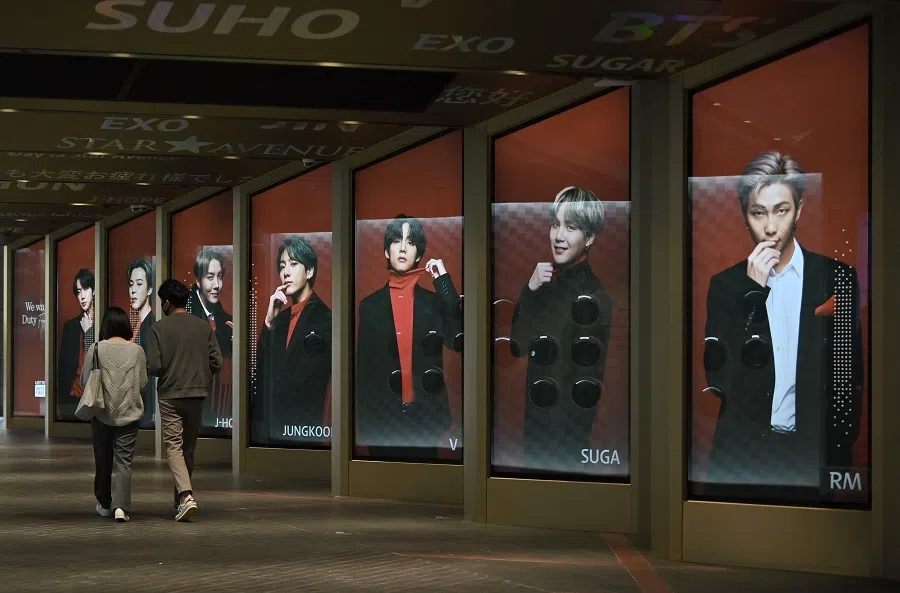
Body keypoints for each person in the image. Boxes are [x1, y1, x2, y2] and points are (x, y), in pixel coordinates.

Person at [702, 151, 863, 496]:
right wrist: (752, 292)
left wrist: (839, 446)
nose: (771, 227)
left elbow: (848, 373)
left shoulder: (837, 279)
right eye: (758, 213)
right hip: (743, 453)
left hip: (813, 450)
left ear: (800, 211)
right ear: (745, 216)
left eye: (782, 210)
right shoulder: (726, 286)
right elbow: (720, 379)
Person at [510, 187, 612, 474]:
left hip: (564, 440)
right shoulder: (543, 284)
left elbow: (586, 386)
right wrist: (529, 290)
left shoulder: (594, 296)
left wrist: (567, 448)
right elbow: (516, 346)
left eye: (571, 227)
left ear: (589, 237)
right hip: (536, 430)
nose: (558, 236)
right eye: (555, 224)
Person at [356, 214, 462, 459]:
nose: (403, 247)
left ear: (419, 254)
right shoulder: (369, 306)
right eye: (396, 240)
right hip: (381, 422)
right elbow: (364, 372)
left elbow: (458, 339)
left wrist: (444, 282)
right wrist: (363, 427)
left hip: (426, 418)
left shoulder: (434, 303)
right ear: (386, 250)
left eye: (410, 242)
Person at [147, 279, 223, 522]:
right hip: (197, 393)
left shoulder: (159, 329)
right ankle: (180, 500)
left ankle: (186, 496)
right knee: (188, 448)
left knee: (174, 446)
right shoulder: (203, 327)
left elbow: (155, 366)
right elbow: (217, 362)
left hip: (170, 394)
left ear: (167, 303)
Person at [253, 237, 331, 444]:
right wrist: (268, 322)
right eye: (282, 266)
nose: (285, 272)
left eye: (294, 264)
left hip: (303, 426)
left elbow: (309, 377)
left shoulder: (326, 318)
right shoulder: (280, 319)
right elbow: (260, 372)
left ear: (310, 271)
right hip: (273, 426)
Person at [82, 307, 147, 523]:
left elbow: (85, 381)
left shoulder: (97, 348)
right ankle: (121, 507)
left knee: (102, 460)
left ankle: (104, 502)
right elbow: (143, 382)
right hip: (129, 414)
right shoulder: (137, 350)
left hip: (101, 414)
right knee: (124, 462)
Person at [186, 248, 233, 430]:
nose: (217, 285)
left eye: (220, 276)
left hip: (220, 405)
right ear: (198, 281)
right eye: (210, 277)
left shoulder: (227, 321)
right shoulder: (188, 316)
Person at [57, 269, 95, 421]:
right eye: (79, 291)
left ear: (94, 291)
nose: (82, 296)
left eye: (86, 289)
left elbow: (103, 360)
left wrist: (90, 333)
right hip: (73, 396)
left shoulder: (104, 324)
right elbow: (63, 368)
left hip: (94, 397)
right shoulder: (71, 326)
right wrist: (61, 403)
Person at [127, 258, 156, 428]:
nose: (133, 291)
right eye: (131, 284)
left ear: (150, 289)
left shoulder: (151, 325)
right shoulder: (136, 325)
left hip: (147, 402)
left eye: (139, 284)